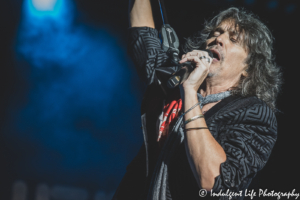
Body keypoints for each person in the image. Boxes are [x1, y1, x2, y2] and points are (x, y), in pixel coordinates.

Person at [112, 0, 282, 199]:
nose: (218, 39)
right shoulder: (175, 82)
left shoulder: (254, 114)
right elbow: (144, 36)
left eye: (233, 39)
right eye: (216, 33)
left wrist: (190, 92)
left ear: (249, 68)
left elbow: (214, 182)